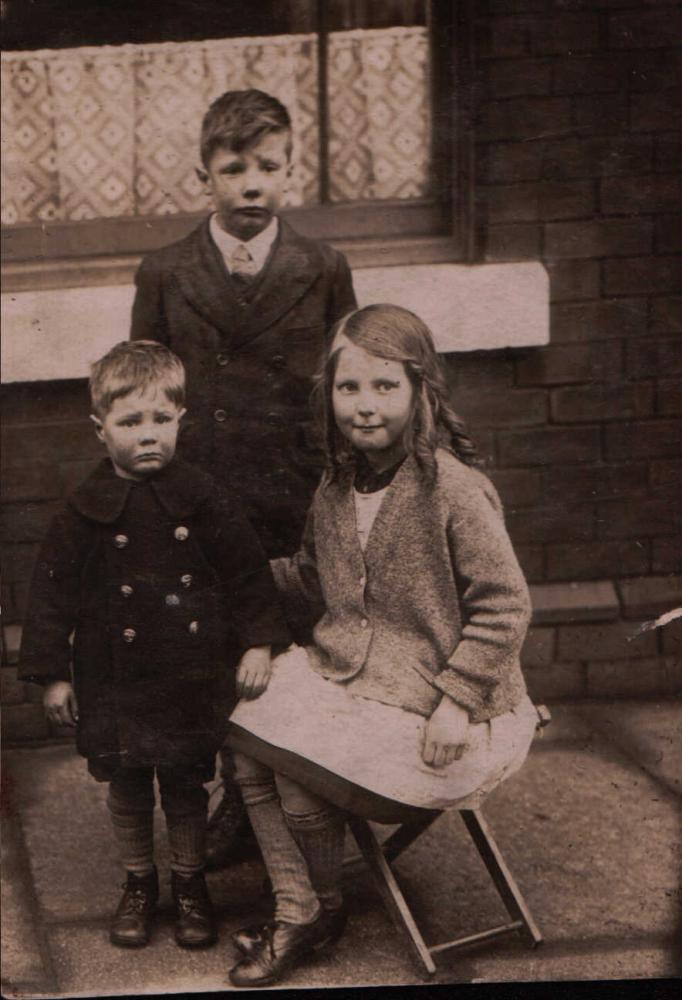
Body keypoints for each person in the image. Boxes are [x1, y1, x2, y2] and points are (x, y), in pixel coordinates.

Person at [224, 304, 540, 987]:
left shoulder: (453, 490)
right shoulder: (337, 485)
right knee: (247, 735)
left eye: (385, 387)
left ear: (421, 391)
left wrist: (456, 702)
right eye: (349, 388)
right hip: (351, 676)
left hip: (447, 707)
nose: (364, 406)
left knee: (293, 768)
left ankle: (315, 908)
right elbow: (312, 579)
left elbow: (505, 605)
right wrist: (228, 584)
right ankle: (301, 903)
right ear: (328, 395)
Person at [130, 88, 357, 867]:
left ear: (291, 170)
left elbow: (343, 388)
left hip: (291, 498)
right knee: (216, 647)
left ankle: (302, 802)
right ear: (205, 176)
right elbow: (145, 391)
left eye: (269, 166)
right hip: (201, 495)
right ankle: (235, 804)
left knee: (292, 645)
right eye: (235, 168)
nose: (252, 183)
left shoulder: (323, 269)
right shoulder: (164, 272)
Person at [18, 341, 292, 951]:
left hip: (189, 672)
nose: (148, 436)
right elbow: (51, 594)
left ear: (181, 421)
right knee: (128, 783)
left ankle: (191, 884)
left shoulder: (203, 497)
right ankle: (139, 882)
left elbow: (248, 573)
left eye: (161, 420)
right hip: (113, 676)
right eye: (130, 422)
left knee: (186, 783)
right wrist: (53, 676)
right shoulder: (82, 512)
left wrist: (258, 646)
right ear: (99, 429)